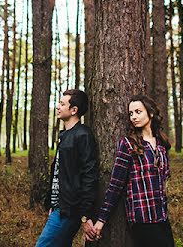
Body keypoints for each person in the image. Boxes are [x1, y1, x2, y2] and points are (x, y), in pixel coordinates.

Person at [86, 95, 174, 246]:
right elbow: (115, 185)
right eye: (131, 113)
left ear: (151, 113)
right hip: (142, 219)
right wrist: (101, 221)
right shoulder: (128, 144)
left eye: (138, 112)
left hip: (162, 217)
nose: (133, 117)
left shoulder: (161, 145)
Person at [34, 88, 99, 247]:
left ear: (73, 110)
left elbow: (89, 176)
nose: (57, 106)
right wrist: (52, 203)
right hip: (59, 208)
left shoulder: (83, 135)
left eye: (62, 104)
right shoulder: (65, 136)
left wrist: (85, 215)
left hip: (70, 210)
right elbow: (59, 173)